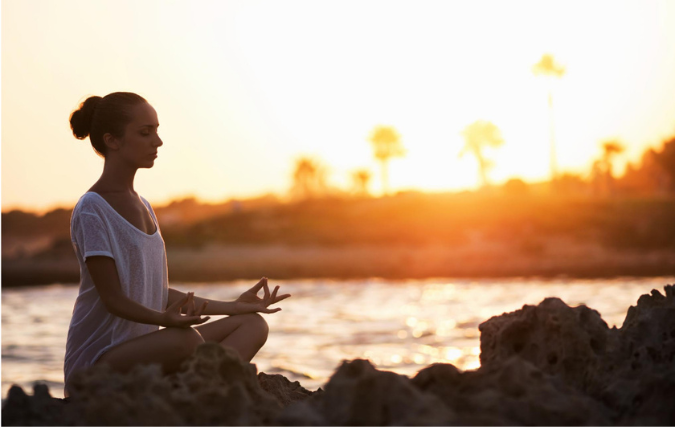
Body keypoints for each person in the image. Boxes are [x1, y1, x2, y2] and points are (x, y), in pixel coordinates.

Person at [63, 92, 290, 397]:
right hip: (96, 365)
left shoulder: (144, 205)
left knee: (251, 324)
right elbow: (113, 299)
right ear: (112, 141)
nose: (157, 141)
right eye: (145, 133)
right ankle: (196, 390)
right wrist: (164, 320)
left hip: (148, 355)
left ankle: (190, 392)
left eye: (157, 131)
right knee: (185, 341)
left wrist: (234, 307)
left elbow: (157, 293)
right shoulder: (92, 208)